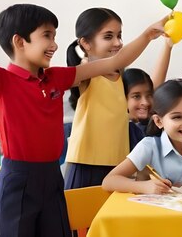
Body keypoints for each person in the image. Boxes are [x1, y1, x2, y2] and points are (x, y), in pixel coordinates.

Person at [0, 0, 165, 237]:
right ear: (19, 42)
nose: (54, 44)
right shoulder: (2, 80)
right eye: (47, 36)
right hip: (18, 178)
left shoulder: (56, 77)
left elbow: (114, 62)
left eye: (54, 35)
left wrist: (148, 35)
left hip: (52, 176)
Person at [65, 12, 173, 188]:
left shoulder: (119, 77)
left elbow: (152, 88)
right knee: (81, 215)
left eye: (119, 36)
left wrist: (167, 46)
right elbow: (119, 60)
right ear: (85, 43)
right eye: (109, 36)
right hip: (86, 164)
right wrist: (147, 35)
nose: (117, 42)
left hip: (116, 166)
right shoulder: (84, 72)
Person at [102, 79, 182, 193]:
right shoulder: (149, 145)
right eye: (177, 117)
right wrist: (144, 186)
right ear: (159, 121)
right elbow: (109, 181)